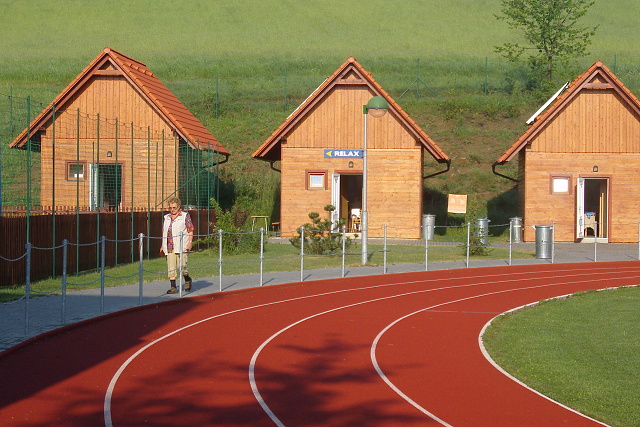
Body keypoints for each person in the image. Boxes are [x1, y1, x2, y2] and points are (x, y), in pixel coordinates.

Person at [160, 197, 194, 294]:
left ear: (179, 207)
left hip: (181, 245)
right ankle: (173, 286)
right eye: (170, 207)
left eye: (174, 207)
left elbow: (190, 230)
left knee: (182, 266)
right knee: (171, 266)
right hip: (169, 245)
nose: (172, 210)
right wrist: (163, 245)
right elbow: (164, 232)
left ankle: (187, 279)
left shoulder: (184, 216)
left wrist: (189, 243)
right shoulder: (166, 218)